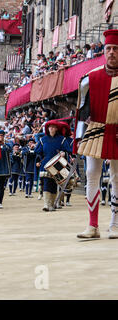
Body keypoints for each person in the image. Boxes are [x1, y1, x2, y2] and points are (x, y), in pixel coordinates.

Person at [75, 30, 118, 239]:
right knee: (92, 174)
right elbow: (81, 112)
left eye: (115, 49)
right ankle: (92, 225)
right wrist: (80, 138)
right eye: (109, 48)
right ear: (104, 51)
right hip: (96, 131)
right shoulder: (89, 79)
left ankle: (115, 224)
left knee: (117, 178)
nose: (111, 53)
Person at [35, 120, 71, 212]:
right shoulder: (43, 139)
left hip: (57, 164)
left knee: (54, 183)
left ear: (56, 129)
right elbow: (38, 152)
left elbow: (67, 150)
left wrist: (63, 152)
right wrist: (39, 160)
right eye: (50, 127)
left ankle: (52, 204)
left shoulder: (61, 139)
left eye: (53, 127)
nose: (51, 128)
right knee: (46, 183)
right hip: (46, 164)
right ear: (47, 129)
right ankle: (46, 204)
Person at [0, 130, 12, 208]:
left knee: (1, 187)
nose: (0, 137)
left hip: (3, 169)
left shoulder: (7, 145)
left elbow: (10, 150)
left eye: (2, 136)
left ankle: (0, 202)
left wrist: (3, 144)